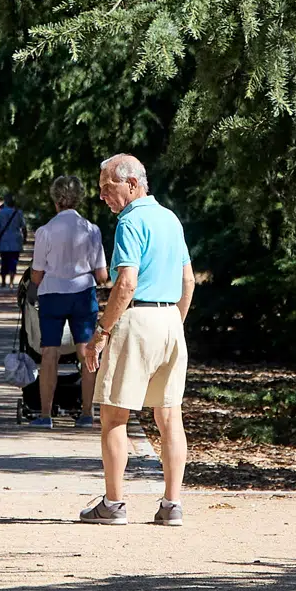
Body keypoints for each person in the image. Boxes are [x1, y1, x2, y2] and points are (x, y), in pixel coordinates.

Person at [80, 154, 194, 528]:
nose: (102, 195)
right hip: (170, 320)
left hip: (138, 319)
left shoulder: (130, 222)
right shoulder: (170, 219)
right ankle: (172, 505)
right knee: (169, 416)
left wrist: (101, 332)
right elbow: (188, 281)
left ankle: (113, 504)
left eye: (106, 187)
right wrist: (174, 322)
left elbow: (126, 283)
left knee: (114, 415)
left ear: (131, 184)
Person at [28, 175, 109, 429]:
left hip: (52, 295)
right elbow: (102, 275)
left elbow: (37, 274)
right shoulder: (91, 230)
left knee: (49, 353)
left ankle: (45, 415)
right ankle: (86, 413)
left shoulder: (45, 231)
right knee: (86, 353)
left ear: (55, 200)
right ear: (79, 199)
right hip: (83, 295)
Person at [0, 192, 26, 287]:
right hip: (16, 240)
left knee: (4, 261)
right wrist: (24, 238)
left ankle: (3, 281)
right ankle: (11, 282)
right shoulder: (18, 213)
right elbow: (23, 227)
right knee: (13, 261)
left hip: (4, 240)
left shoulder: (1, 212)